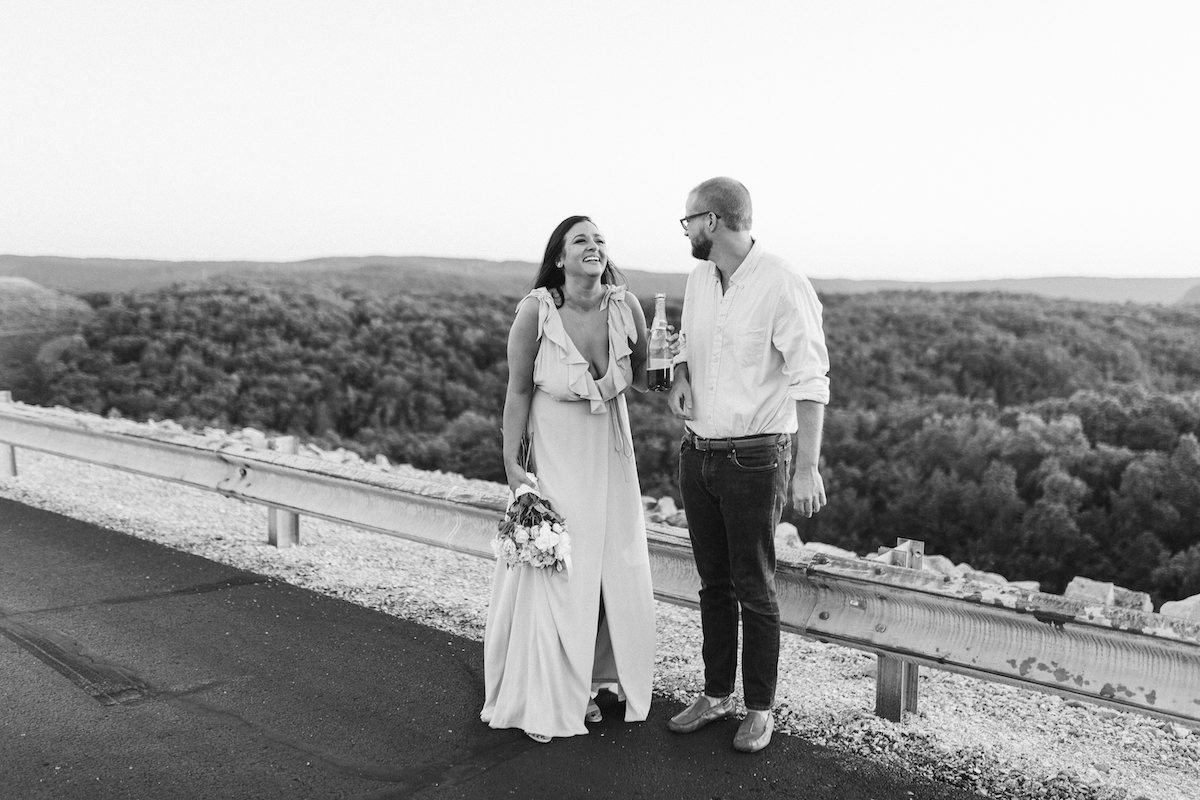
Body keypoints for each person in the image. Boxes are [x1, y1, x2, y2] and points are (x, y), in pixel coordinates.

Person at [665, 177, 830, 753]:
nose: (684, 231)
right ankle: (715, 695)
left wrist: (807, 468)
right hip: (698, 452)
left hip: (757, 457)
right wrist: (679, 377)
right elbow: (685, 346)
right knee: (713, 582)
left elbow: (811, 378)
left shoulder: (783, 282)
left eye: (688, 220)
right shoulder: (698, 279)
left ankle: (759, 708)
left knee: (754, 585)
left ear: (712, 221)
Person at [481, 215, 657, 743]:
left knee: (615, 565)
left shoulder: (625, 305)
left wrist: (675, 359)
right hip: (557, 453)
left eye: (600, 239)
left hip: (612, 454)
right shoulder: (537, 311)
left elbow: (648, 377)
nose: (594, 246)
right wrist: (512, 464)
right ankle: (556, 688)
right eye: (581, 239)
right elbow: (516, 392)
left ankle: (599, 673)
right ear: (559, 256)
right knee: (563, 567)